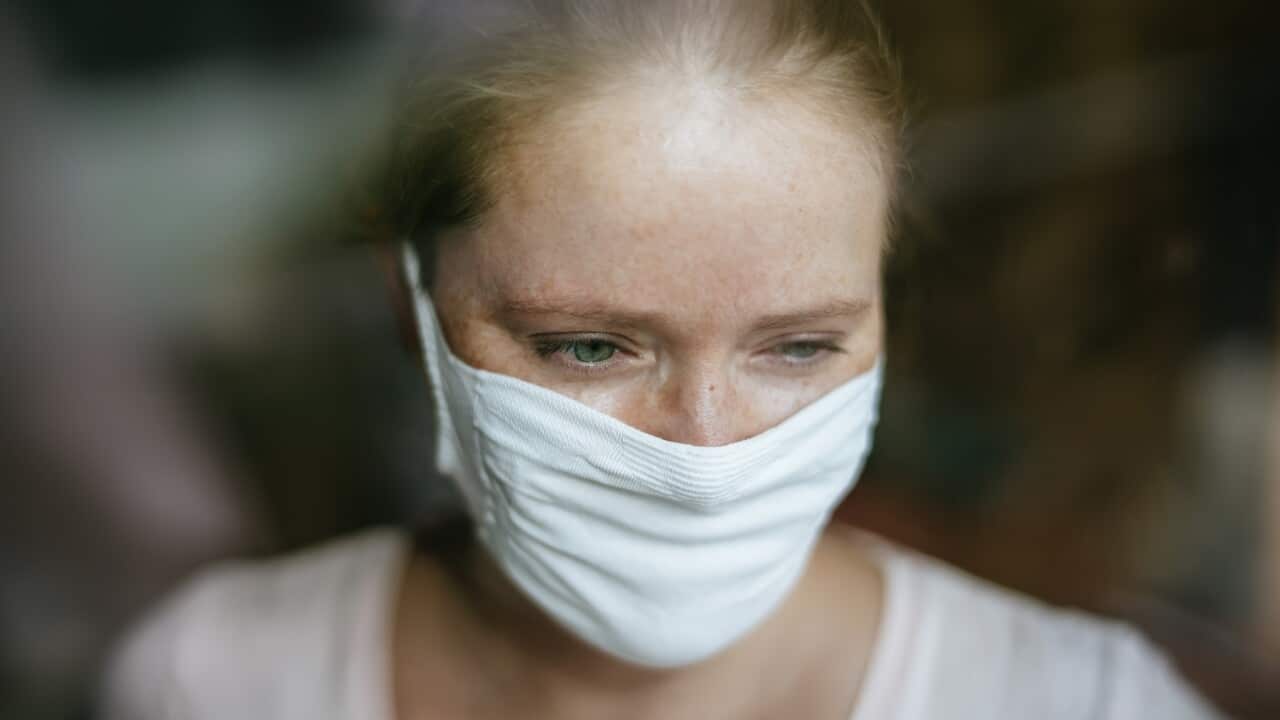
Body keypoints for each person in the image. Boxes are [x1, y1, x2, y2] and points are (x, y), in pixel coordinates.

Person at [100, 1, 1224, 718]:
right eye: (586, 347)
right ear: (413, 306)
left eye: (795, 346)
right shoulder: (216, 679)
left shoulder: (1075, 704)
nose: (704, 446)